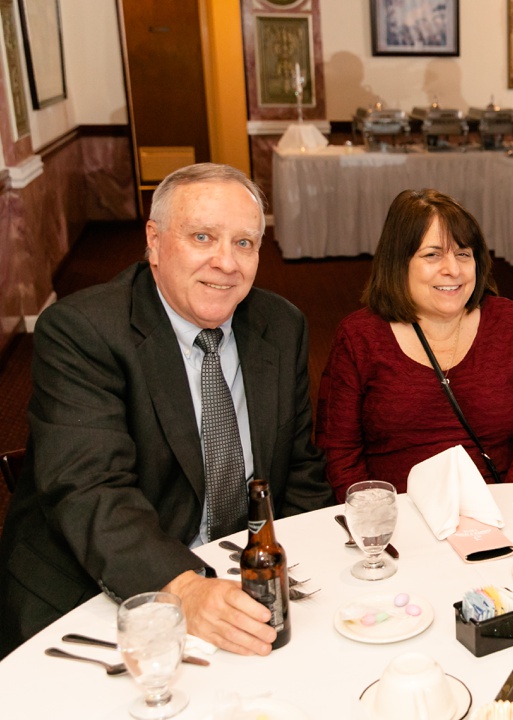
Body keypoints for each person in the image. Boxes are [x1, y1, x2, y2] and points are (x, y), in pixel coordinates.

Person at [0, 164, 333, 659]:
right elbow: (91, 490)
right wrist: (185, 587)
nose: (226, 262)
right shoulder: (82, 331)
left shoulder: (281, 326)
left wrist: (309, 567)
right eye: (202, 237)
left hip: (239, 575)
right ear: (154, 243)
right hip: (100, 585)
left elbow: (301, 469)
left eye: (244, 243)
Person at [316, 189, 513, 501]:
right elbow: (339, 454)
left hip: (501, 508)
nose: (453, 270)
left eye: (463, 254)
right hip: (399, 515)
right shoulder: (359, 337)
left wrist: (508, 507)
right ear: (399, 262)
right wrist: (379, 516)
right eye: (432, 255)